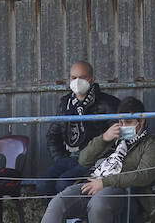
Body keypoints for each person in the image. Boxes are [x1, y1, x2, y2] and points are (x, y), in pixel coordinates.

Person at [20, 98, 155, 223]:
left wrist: (106, 182)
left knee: (100, 201)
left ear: (141, 121)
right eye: (120, 121)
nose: (123, 125)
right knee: (59, 201)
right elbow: (83, 160)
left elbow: (145, 176)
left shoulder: (152, 143)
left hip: (126, 194)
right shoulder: (114, 138)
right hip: (93, 183)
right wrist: (104, 138)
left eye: (128, 121)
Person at [34, 62, 120, 199]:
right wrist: (61, 159)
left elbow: (118, 137)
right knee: (43, 185)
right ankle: (60, 217)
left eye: (82, 77)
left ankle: (81, 218)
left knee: (65, 184)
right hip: (71, 157)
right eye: (74, 78)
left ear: (92, 79)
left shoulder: (108, 103)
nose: (77, 82)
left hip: (95, 160)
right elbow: (52, 135)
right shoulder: (65, 104)